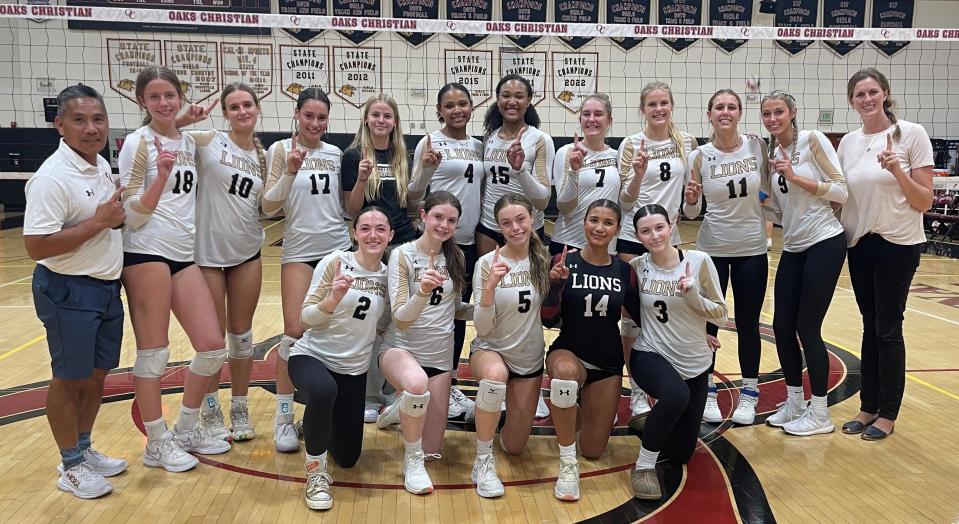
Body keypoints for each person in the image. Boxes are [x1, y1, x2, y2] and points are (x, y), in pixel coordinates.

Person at [119, 66, 231, 472]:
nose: (164, 103)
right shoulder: (137, 143)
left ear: (181, 97)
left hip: (184, 255)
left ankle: (185, 426)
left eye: (171, 95)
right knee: (154, 355)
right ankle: (156, 441)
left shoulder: (185, 140)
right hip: (146, 251)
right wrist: (160, 177)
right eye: (155, 97)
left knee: (212, 345)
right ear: (142, 102)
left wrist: (187, 122)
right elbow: (130, 213)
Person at [24, 84, 128, 499]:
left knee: (97, 376)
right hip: (68, 289)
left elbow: (104, 219)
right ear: (60, 125)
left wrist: (113, 219)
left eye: (98, 119)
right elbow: (37, 245)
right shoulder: (52, 177)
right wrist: (101, 222)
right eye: (80, 120)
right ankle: (69, 465)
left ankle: (83, 449)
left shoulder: (99, 163)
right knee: (69, 380)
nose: (91, 128)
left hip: (105, 288)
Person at [837, 68, 934, 441]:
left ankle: (888, 413)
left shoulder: (911, 134)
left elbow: (923, 200)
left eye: (873, 92)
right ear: (852, 101)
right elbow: (843, 195)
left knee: (888, 328)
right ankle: (868, 405)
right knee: (868, 325)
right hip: (860, 244)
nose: (867, 99)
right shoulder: (848, 142)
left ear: (885, 94)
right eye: (859, 94)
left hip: (899, 243)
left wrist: (897, 171)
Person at [262, 88, 352, 452]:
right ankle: (283, 417)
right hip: (299, 251)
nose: (315, 123)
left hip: (336, 250)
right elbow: (269, 207)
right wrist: (289, 172)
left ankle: (323, 410)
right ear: (296, 115)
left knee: (333, 333)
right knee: (293, 333)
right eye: (309, 116)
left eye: (321, 117)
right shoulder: (279, 150)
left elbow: (347, 206)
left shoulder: (335, 154)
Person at [177, 84, 267, 442]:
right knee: (212, 343)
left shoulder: (261, 155)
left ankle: (240, 406)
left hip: (247, 252)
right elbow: (166, 134)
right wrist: (184, 117)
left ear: (257, 109)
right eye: (234, 106)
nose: (242, 111)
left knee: (242, 338)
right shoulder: (207, 139)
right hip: (208, 255)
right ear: (225, 113)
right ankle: (211, 410)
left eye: (247, 104)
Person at [288, 207, 393, 510]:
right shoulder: (336, 262)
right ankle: (316, 475)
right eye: (365, 228)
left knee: (348, 458)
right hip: (312, 357)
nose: (372, 235)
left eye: (380, 229)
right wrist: (332, 300)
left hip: (353, 371)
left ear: (390, 235)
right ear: (355, 233)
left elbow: (388, 323)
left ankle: (313, 424)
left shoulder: (389, 277)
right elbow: (305, 320)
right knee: (323, 390)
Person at [759, 90, 848, 436]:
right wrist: (757, 198)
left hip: (825, 241)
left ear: (792, 111)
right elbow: (780, 211)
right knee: (782, 326)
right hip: (794, 246)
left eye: (778, 111)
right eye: (766, 113)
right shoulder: (770, 152)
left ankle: (821, 414)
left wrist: (796, 177)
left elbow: (842, 191)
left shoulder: (812, 140)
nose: (772, 118)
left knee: (807, 327)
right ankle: (795, 401)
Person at [541, 199, 642, 501]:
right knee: (565, 375)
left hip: (607, 362)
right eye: (593, 220)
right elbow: (548, 319)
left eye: (607, 223)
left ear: (617, 229)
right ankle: (567, 463)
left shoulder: (625, 271)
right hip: (568, 351)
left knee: (595, 450)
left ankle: (580, 408)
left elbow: (641, 317)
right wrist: (555, 286)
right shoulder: (564, 261)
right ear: (583, 223)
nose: (599, 227)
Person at [683, 89, 772, 425]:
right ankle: (707, 392)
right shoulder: (699, 155)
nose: (725, 112)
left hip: (751, 248)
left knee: (749, 324)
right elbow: (691, 212)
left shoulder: (756, 146)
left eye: (732, 107)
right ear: (710, 114)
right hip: (712, 250)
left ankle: (749, 394)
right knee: (709, 323)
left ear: (739, 113)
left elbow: (768, 192)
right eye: (719, 106)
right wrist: (691, 199)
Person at [627, 204, 727, 500]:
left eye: (659, 227)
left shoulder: (699, 261)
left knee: (682, 452)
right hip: (650, 354)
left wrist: (694, 297)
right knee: (676, 395)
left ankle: (653, 420)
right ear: (637, 235)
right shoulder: (637, 267)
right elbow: (627, 318)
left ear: (672, 225)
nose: (654, 235)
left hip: (695, 363)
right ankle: (644, 466)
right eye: (646, 231)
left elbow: (721, 315)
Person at [375, 192, 469, 494]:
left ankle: (398, 410)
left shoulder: (457, 256)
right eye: (438, 217)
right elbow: (401, 318)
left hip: (439, 358)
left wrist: (490, 303)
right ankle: (411, 462)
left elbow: (455, 308)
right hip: (400, 349)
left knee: (433, 449)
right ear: (424, 215)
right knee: (416, 383)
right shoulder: (401, 255)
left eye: (451, 220)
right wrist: (423, 291)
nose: (444, 225)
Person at [616, 81, 698, 421]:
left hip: (669, 239)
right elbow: (624, 200)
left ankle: (664, 383)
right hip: (632, 238)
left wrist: (693, 200)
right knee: (633, 317)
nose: (658, 109)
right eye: (652, 104)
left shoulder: (687, 144)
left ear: (672, 105)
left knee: (664, 313)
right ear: (642, 109)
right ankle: (636, 390)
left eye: (664, 102)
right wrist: (636, 175)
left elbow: (692, 210)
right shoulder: (631, 143)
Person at [408, 83, 483, 420]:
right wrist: (425, 167)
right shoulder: (429, 142)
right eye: (449, 105)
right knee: (429, 310)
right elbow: (413, 195)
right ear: (440, 110)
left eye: (462, 104)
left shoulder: (479, 146)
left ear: (471, 107)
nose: (457, 110)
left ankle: (449, 382)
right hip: (439, 240)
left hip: (467, 240)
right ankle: (415, 382)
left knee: (456, 313)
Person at [468, 193, 551, 498]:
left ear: (532, 219)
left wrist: (560, 286)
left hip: (528, 358)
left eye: (521, 220)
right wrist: (489, 289)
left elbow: (553, 316)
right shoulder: (487, 263)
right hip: (491, 349)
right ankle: (483, 460)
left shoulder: (543, 258)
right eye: (506, 223)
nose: (515, 228)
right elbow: (483, 327)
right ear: (499, 227)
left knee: (515, 447)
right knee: (493, 377)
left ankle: (491, 415)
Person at [341, 93, 417, 421]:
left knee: (396, 321)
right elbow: (351, 209)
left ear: (395, 121)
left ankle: (391, 389)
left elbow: (410, 206)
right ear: (367, 119)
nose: (381, 120)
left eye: (387, 115)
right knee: (369, 321)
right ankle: (370, 394)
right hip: (371, 245)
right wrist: (360, 178)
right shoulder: (353, 155)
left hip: (401, 244)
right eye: (376, 115)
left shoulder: (403, 155)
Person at [478, 75, 555, 254]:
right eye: (506, 95)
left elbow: (543, 201)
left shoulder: (540, 139)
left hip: (526, 228)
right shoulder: (489, 137)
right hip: (489, 225)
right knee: (487, 280)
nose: (512, 101)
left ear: (528, 100)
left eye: (519, 96)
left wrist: (520, 170)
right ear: (498, 100)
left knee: (528, 282)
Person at [550, 94, 622, 256]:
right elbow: (564, 208)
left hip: (605, 246)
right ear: (580, 119)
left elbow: (623, 202)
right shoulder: (567, 152)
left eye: (598, 114)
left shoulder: (617, 156)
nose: (591, 119)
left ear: (609, 120)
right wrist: (574, 171)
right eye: (586, 114)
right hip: (568, 242)